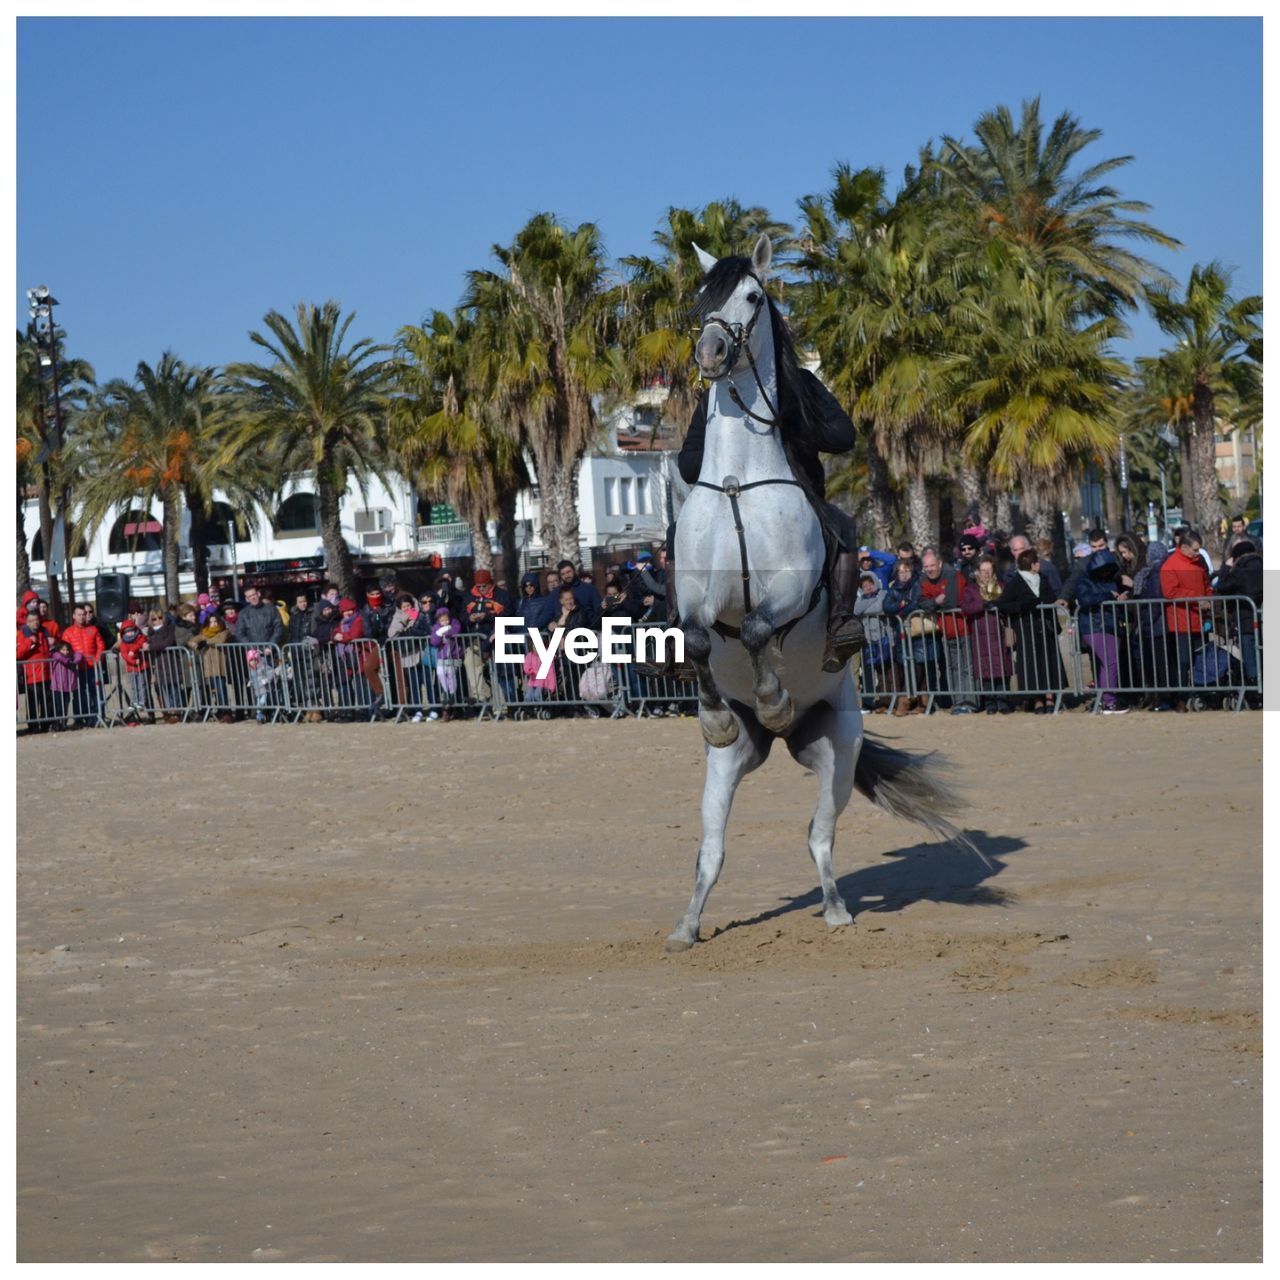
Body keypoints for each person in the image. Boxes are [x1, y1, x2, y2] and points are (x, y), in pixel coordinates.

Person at [676, 357, 864, 671]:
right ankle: (677, 633)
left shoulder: (801, 382)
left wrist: (791, 423)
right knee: (674, 534)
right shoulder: (715, 396)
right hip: (725, 505)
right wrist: (721, 445)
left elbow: (843, 437)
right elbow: (688, 465)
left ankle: (839, 623)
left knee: (842, 526)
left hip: (797, 500)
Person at [996, 549, 1064, 713]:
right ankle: (1037, 700)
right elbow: (1003, 603)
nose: (1039, 564)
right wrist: (1023, 606)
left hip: (1044, 627)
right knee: (1033, 666)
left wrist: (1043, 602)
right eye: (1036, 561)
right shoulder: (1016, 582)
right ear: (1033, 564)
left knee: (1049, 663)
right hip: (1026, 629)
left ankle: (1050, 698)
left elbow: (1049, 597)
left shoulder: (1043, 578)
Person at [916, 546, 982, 713]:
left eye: (932, 565)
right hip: (946, 632)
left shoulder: (953, 575)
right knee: (951, 668)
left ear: (939, 563)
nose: (929, 569)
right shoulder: (924, 580)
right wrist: (935, 602)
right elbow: (922, 602)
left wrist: (936, 603)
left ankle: (970, 702)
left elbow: (953, 601)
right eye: (926, 567)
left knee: (967, 667)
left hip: (964, 629)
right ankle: (958, 702)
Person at [1160, 527, 1213, 710]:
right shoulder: (1170, 565)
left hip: (1200, 620)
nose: (1198, 553)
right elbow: (1170, 591)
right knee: (1183, 662)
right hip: (1180, 623)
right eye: (1195, 549)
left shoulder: (1199, 563)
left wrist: (1209, 598)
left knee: (1201, 658)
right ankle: (1181, 697)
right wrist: (1196, 598)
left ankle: (1200, 693)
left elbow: (1206, 584)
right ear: (1183, 547)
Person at [1073, 549, 1129, 713]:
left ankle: (1108, 700)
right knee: (1109, 663)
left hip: (1109, 625)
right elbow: (1085, 600)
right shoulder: (1084, 581)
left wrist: (1119, 596)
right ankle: (1109, 701)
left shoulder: (1110, 579)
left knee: (1108, 664)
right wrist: (1108, 595)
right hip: (1094, 626)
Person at [970, 555, 1013, 713]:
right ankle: (989, 703)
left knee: (1002, 669)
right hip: (981, 634)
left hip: (999, 632)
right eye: (983, 570)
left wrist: (999, 605)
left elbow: (1009, 604)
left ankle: (1003, 702)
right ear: (978, 572)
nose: (986, 573)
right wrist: (981, 605)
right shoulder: (972, 588)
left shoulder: (1001, 586)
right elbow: (966, 607)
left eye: (989, 570)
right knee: (985, 671)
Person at [852, 570, 900, 711]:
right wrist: (870, 601)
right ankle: (884, 702)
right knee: (879, 673)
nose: (868, 587)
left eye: (870, 583)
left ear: (875, 582)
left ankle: (896, 701)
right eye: (864, 585)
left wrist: (868, 603)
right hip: (870, 641)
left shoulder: (884, 594)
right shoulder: (861, 599)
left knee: (891, 671)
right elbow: (855, 610)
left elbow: (881, 607)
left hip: (886, 638)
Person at [62, 603, 106, 728]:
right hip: (76, 669)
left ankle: (96, 717)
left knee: (95, 693)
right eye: (79, 615)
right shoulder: (68, 632)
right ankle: (80, 719)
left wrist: (97, 659)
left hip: (92, 667)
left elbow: (101, 646)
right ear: (74, 616)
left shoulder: (93, 629)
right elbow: (64, 650)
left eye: (84, 614)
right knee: (78, 695)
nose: (82, 617)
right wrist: (72, 660)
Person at [189, 609, 233, 722]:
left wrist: (205, 642)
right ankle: (215, 711)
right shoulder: (204, 633)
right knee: (210, 690)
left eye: (215, 621)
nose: (213, 624)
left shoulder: (224, 631)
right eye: (211, 622)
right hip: (208, 667)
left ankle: (225, 711)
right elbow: (192, 641)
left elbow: (220, 640)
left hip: (220, 665)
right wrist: (195, 644)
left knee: (221, 689)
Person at [17, 600, 54, 730]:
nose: (35, 623)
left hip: (46, 673)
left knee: (47, 700)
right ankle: (33, 725)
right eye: (32, 620)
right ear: (27, 622)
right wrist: (28, 643)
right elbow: (18, 654)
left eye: (37, 620)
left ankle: (46, 724)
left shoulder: (44, 632)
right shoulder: (22, 634)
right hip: (31, 675)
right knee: (33, 702)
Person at [47, 639, 84, 731]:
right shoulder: (55, 655)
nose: (66, 652)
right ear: (59, 650)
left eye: (67, 650)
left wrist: (73, 661)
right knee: (58, 707)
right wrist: (68, 661)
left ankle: (63, 723)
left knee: (65, 706)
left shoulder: (71, 656)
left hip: (68, 686)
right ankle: (57, 724)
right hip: (58, 686)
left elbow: (79, 655)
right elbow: (59, 657)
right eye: (63, 650)